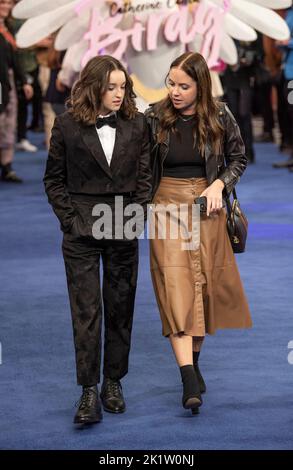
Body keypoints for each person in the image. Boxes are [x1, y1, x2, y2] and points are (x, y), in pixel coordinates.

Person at [44, 55, 152, 425]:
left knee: (120, 307)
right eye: (111, 87)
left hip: (123, 225)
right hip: (81, 231)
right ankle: (88, 390)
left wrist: (136, 216)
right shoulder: (67, 126)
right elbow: (53, 180)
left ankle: (113, 383)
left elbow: (145, 178)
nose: (119, 94)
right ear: (94, 87)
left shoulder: (139, 125)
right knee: (86, 311)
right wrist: (70, 221)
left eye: (123, 86)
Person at [146, 52, 252, 415]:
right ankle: (188, 377)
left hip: (209, 210)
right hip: (166, 208)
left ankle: (193, 361)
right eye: (171, 83)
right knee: (175, 288)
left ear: (200, 86)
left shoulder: (220, 115)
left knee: (202, 288)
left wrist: (219, 184)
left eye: (183, 86)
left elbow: (240, 158)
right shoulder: (153, 117)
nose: (175, 91)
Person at [0, 0, 33, 182]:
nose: (6, 6)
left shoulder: (8, 28)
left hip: (8, 83)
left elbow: (15, 57)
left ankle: (7, 166)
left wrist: (24, 81)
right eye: (2, 3)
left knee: (9, 124)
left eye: (8, 3)